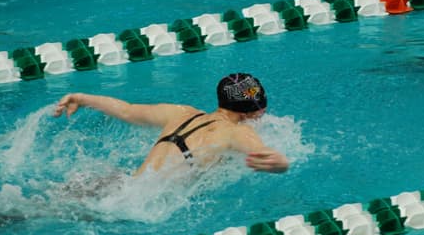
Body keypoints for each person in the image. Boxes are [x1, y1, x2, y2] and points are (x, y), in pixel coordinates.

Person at [53, 73, 289, 176]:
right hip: (136, 205)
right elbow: (261, 153)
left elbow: (127, 110)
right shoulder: (237, 131)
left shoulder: (181, 112)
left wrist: (82, 98)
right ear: (258, 110)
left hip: (124, 185)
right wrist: (281, 163)